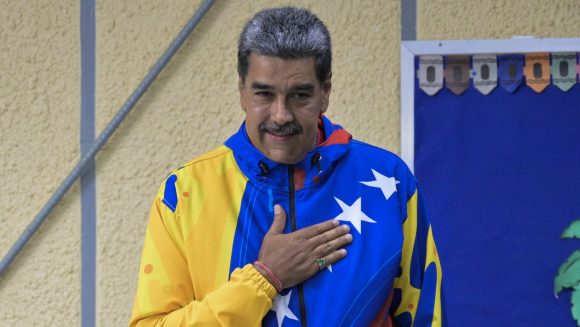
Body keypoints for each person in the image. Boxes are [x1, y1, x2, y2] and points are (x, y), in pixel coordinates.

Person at [129, 6, 445, 327]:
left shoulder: (390, 180)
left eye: (299, 95)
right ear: (241, 90)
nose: (281, 115)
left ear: (326, 92)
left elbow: (426, 317)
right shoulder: (185, 192)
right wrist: (264, 279)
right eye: (264, 94)